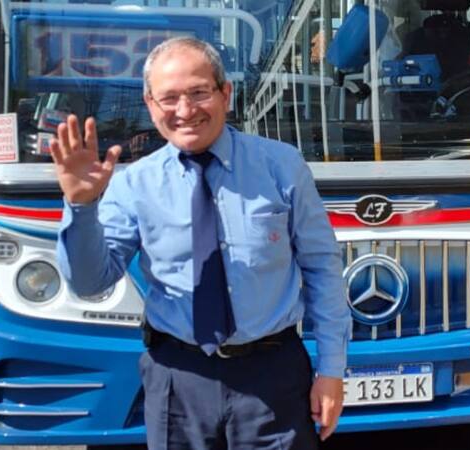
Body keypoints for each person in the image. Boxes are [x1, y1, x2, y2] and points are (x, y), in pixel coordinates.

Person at [51, 36, 351, 449]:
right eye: (169, 98)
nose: (185, 110)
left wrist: (332, 370)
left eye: (198, 93)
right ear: (150, 104)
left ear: (225, 94)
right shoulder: (133, 184)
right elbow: (90, 282)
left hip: (273, 376)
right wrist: (82, 206)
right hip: (178, 379)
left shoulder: (281, 166)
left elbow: (322, 267)